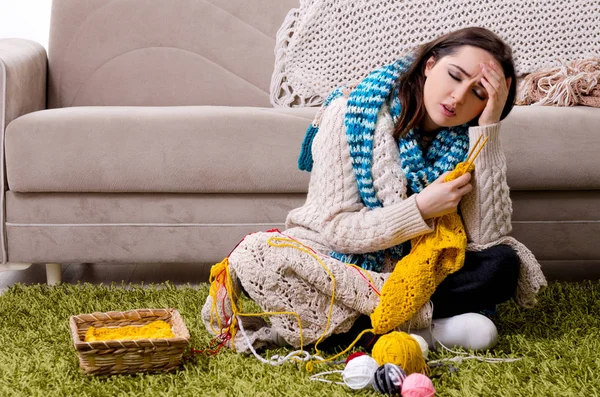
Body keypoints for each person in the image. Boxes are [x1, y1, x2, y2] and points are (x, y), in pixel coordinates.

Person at [202, 27, 547, 354]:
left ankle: (350, 330)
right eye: (455, 76)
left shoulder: (469, 139)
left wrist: (488, 129)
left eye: (478, 93)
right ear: (430, 65)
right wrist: (420, 209)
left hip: (414, 266)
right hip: (339, 257)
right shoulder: (351, 113)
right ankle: (422, 328)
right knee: (258, 256)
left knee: (501, 264)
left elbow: (486, 236)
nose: (458, 97)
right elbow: (337, 229)